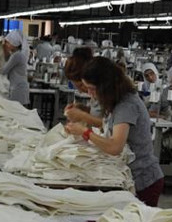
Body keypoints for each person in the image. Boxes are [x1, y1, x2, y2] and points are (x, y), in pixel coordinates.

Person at [64, 57, 164, 206]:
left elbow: (115, 146)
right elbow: (107, 126)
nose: (89, 93)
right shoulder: (116, 101)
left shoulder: (126, 105)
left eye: (92, 89)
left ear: (105, 86)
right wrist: (83, 111)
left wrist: (85, 132)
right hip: (130, 176)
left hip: (143, 181)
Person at [63, 47, 102, 128]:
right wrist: (82, 109)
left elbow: (109, 125)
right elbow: (97, 113)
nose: (80, 91)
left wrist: (82, 116)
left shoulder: (108, 92)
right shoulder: (95, 93)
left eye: (81, 85)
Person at [0, 30, 30, 105]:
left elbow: (3, 71)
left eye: (8, 42)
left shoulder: (16, 56)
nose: (6, 45)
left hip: (18, 89)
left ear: (14, 43)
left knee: (16, 110)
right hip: (19, 87)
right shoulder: (18, 54)